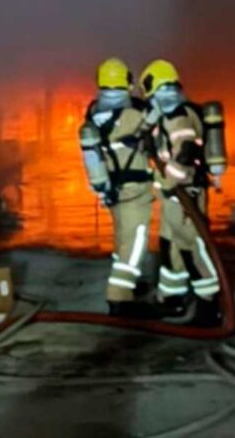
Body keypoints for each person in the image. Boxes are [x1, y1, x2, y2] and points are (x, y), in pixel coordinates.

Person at [140, 59, 221, 326]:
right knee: (170, 244)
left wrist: (167, 184)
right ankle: (171, 298)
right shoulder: (169, 115)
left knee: (192, 247)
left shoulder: (178, 117)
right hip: (173, 197)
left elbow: (184, 154)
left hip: (185, 194)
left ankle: (209, 306)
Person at [79, 58, 157, 317]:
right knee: (135, 241)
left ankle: (128, 283)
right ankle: (120, 297)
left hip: (111, 187)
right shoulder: (135, 113)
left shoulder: (93, 112)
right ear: (127, 81)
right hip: (135, 186)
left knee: (122, 237)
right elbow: (156, 126)